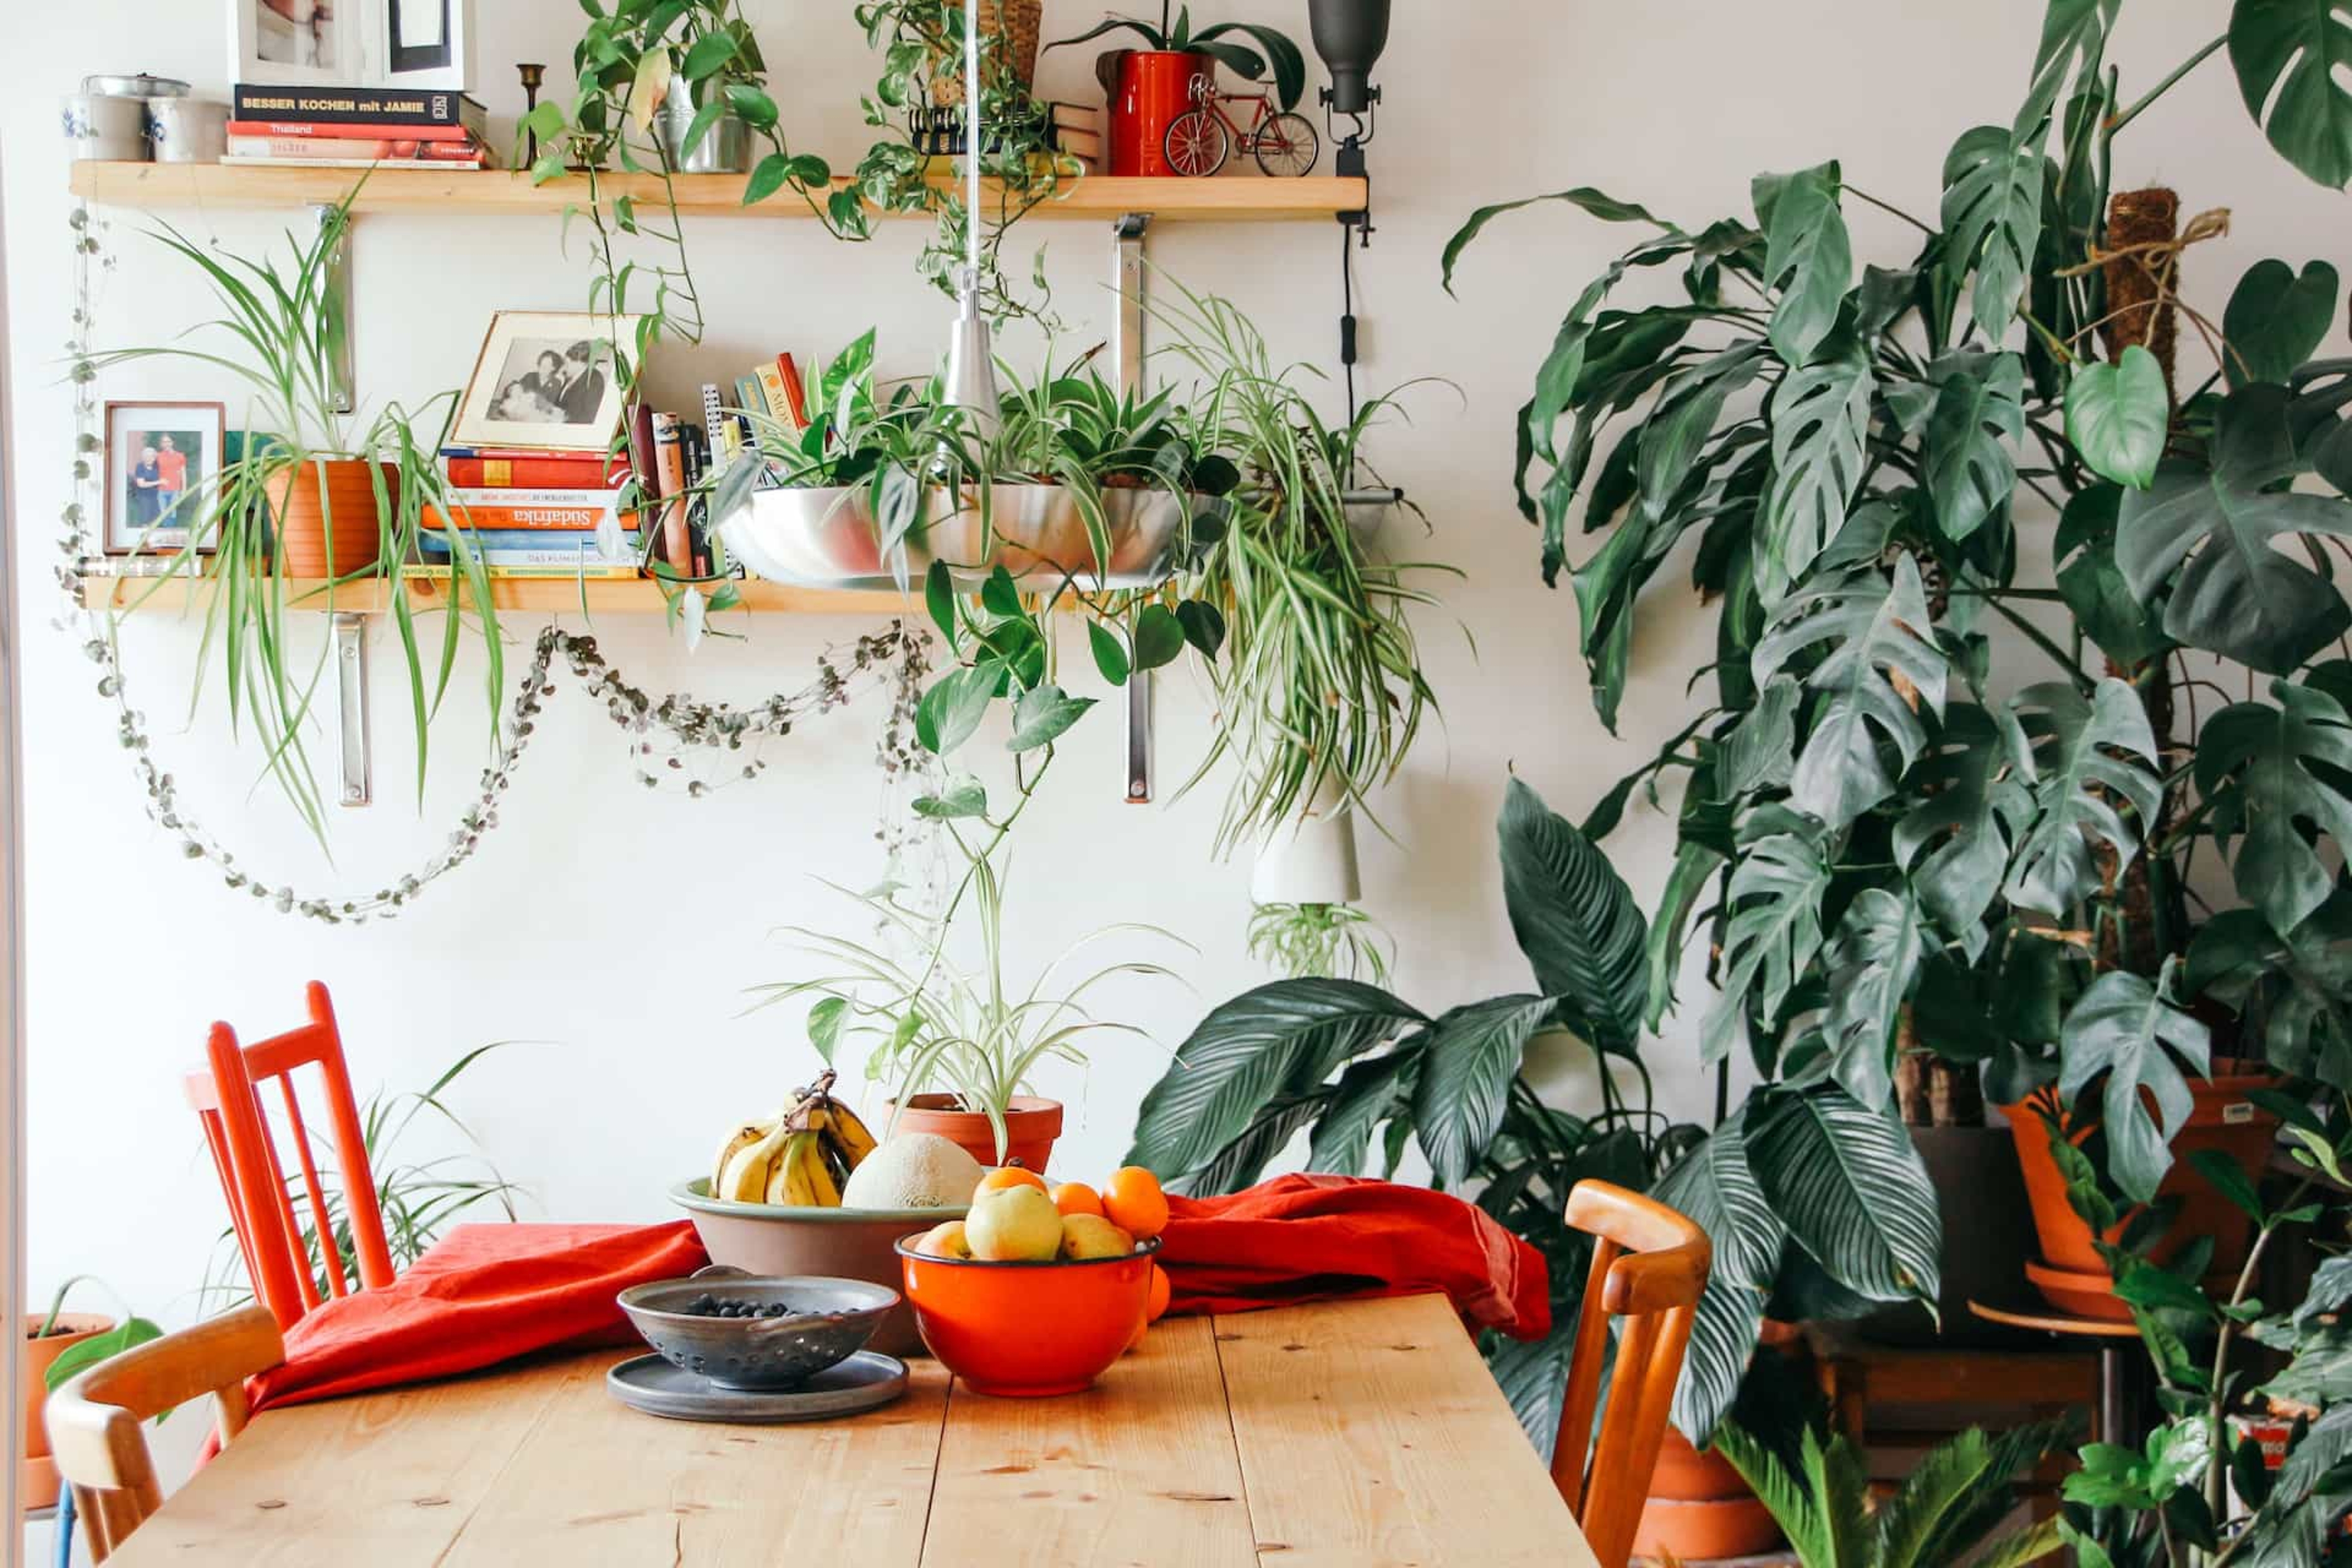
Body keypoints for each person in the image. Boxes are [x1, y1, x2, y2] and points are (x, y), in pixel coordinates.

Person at [557, 341, 606, 424]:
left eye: (566, 364)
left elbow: (588, 417)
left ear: (580, 363)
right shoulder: (569, 377)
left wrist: (562, 419)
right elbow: (561, 404)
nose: (564, 368)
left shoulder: (595, 379)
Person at [154, 433, 189, 521]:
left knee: (173, 512)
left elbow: (183, 473)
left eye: (168, 441)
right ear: (161, 444)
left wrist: (184, 489)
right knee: (163, 514)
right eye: (164, 442)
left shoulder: (180, 456)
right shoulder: (158, 456)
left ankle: (172, 531)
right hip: (162, 489)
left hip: (175, 490)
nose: (166, 444)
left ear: (172, 443)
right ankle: (166, 531)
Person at [127, 444, 162, 528]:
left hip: (155, 496)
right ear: (144, 457)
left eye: (152, 457)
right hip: (144, 496)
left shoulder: (156, 466)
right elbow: (141, 484)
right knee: (145, 519)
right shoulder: (140, 467)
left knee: (156, 518)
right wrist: (158, 482)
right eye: (147, 457)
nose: (150, 459)